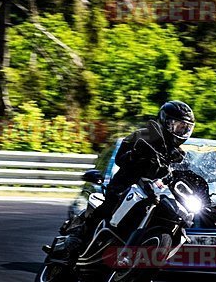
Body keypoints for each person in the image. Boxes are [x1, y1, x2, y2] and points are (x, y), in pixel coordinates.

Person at [57, 101, 196, 259]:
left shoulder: (180, 154)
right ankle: (77, 235)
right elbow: (119, 158)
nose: (182, 132)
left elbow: (184, 175)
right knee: (109, 207)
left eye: (186, 128)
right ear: (166, 122)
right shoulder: (145, 134)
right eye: (179, 126)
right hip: (126, 184)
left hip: (153, 193)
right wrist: (134, 154)